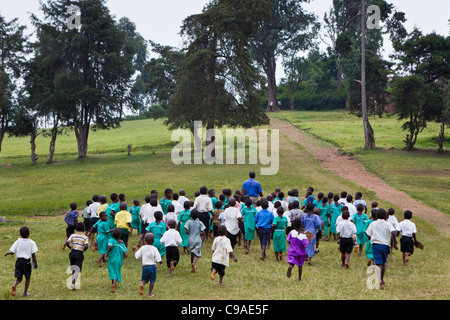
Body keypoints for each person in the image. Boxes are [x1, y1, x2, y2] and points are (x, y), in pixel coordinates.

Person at [365, 208, 397, 290]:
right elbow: (393, 232)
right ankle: (382, 279)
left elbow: (367, 234)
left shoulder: (373, 224)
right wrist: (395, 243)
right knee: (383, 263)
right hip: (385, 246)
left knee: (378, 263)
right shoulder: (388, 224)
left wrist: (370, 237)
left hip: (376, 245)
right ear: (386, 216)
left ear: (376, 216)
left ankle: (379, 280)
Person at [4, 226, 38, 297]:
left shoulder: (17, 241)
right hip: (27, 262)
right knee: (27, 278)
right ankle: (25, 293)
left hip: (18, 262)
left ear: (20, 234)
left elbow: (12, 251)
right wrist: (35, 263)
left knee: (19, 278)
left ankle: (14, 284)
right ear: (29, 234)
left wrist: (8, 253)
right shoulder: (32, 242)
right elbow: (33, 255)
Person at [132, 233, 162, 297]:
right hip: (152, 267)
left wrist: (134, 250)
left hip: (145, 267)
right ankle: (149, 294)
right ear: (153, 241)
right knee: (152, 280)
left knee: (145, 279)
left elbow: (137, 256)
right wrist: (160, 261)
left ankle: (142, 284)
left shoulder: (143, 248)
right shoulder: (154, 248)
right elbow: (158, 259)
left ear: (145, 241)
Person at [63, 222, 89, 290]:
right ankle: (73, 283)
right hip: (79, 253)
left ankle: (73, 282)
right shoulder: (85, 237)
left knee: (74, 268)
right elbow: (86, 246)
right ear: (84, 229)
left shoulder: (72, 235)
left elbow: (66, 242)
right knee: (77, 269)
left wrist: (70, 247)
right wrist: (83, 250)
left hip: (72, 253)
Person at [106, 228, 128, 293]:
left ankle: (113, 282)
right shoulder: (121, 242)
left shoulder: (111, 240)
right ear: (120, 235)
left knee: (112, 270)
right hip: (119, 259)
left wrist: (107, 253)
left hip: (112, 258)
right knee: (117, 270)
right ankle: (114, 283)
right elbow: (125, 252)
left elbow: (110, 246)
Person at [184, 209, 206, 273]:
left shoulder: (188, 222)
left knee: (192, 252)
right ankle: (194, 263)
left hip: (190, 239)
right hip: (197, 239)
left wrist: (191, 231)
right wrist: (201, 239)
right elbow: (203, 232)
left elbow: (186, 231)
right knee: (197, 253)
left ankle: (192, 265)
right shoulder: (200, 222)